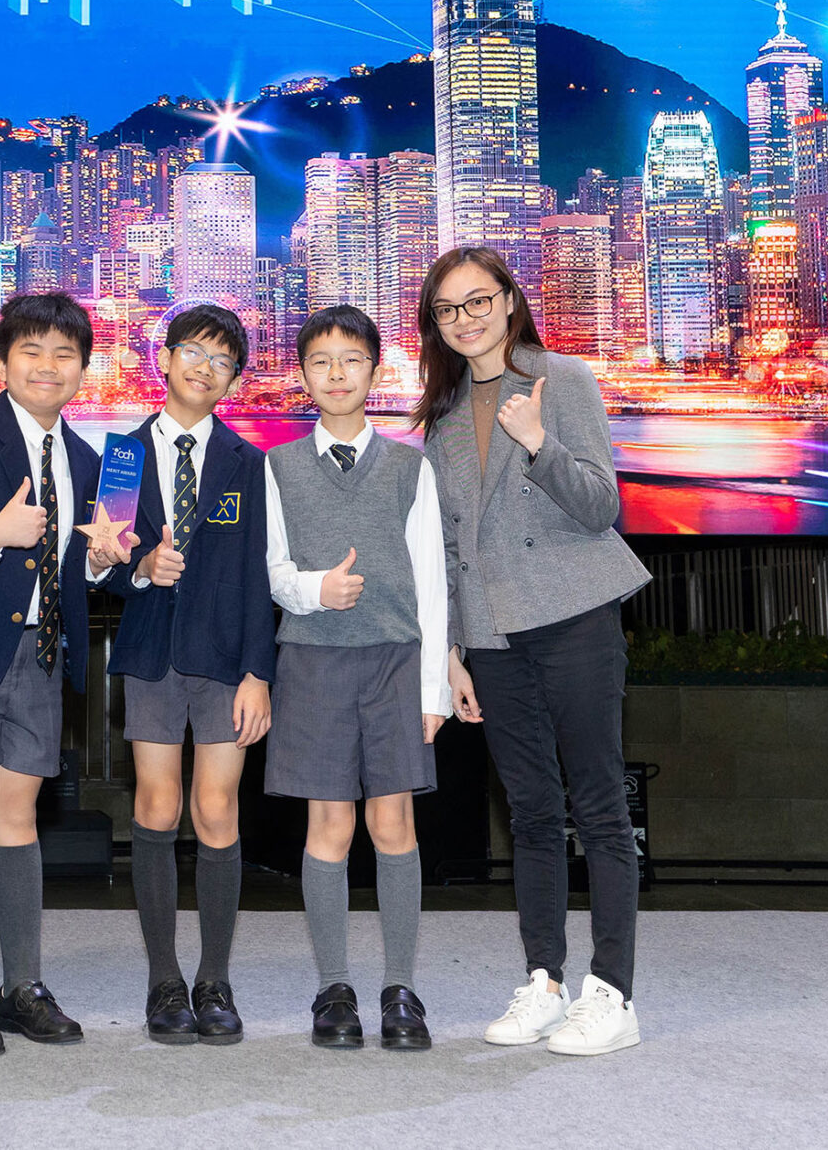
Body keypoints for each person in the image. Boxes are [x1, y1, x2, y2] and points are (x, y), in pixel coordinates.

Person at [415, 245, 650, 1058]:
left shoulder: (564, 378)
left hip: (573, 613)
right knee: (532, 813)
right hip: (492, 635)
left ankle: (612, 992)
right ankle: (545, 981)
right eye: (448, 308)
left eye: (478, 300)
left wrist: (541, 443)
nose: (466, 318)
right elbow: (449, 548)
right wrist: (452, 652)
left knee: (600, 806)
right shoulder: (443, 417)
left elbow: (601, 504)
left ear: (510, 301)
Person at [0, 292, 132, 1056]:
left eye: (64, 353)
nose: (47, 365)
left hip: (43, 658)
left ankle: (22, 986)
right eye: (31, 350)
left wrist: (103, 563)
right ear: (3, 359)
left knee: (18, 823)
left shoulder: (89, 461)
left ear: (82, 368)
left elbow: (87, 571)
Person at [263, 305, 477, 1053]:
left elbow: (432, 583)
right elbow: (273, 569)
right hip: (313, 662)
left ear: (374, 371)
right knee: (329, 827)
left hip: (393, 662)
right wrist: (315, 590)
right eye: (321, 361)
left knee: (394, 826)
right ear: (303, 375)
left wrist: (432, 689)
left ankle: (400, 988)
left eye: (352, 360)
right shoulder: (278, 466)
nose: (337, 374)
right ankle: (334, 988)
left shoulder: (410, 467)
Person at [103, 304, 275, 1046]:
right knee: (156, 801)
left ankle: (214, 978)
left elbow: (261, 577)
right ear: (165, 358)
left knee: (216, 808)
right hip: (149, 653)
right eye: (193, 353)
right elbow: (100, 563)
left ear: (233, 379)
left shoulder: (248, 462)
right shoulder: (121, 455)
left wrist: (259, 673)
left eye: (222, 360)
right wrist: (139, 566)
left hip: (226, 661)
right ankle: (164, 979)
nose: (205, 368)